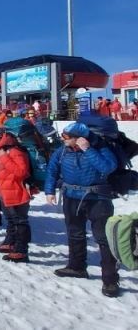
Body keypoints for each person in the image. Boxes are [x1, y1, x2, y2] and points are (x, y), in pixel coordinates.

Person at [45, 122, 120, 297]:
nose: (63, 140)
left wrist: (88, 150)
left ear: (80, 139)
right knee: (74, 233)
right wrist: (49, 190)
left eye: (67, 137)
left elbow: (108, 167)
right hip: (71, 196)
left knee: (104, 238)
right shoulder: (63, 150)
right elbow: (52, 169)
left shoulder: (99, 148)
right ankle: (76, 267)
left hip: (98, 199)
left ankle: (110, 280)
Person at [0, 131, 31, 263]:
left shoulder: (14, 152)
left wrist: (4, 158)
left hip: (17, 192)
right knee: (11, 220)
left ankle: (21, 250)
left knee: (20, 221)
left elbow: (22, 172)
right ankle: (10, 242)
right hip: (5, 192)